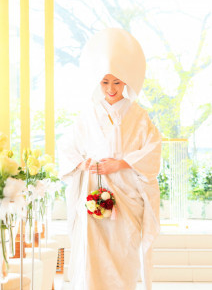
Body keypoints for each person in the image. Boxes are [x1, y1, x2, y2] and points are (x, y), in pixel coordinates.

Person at [59, 28, 162, 290]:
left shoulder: (139, 116)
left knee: (124, 253)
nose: (111, 89)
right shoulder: (88, 115)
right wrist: (84, 164)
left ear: (126, 82)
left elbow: (153, 148)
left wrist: (122, 163)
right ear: (98, 83)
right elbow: (67, 146)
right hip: (93, 191)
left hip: (127, 195)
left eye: (117, 82)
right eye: (105, 82)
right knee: (93, 257)